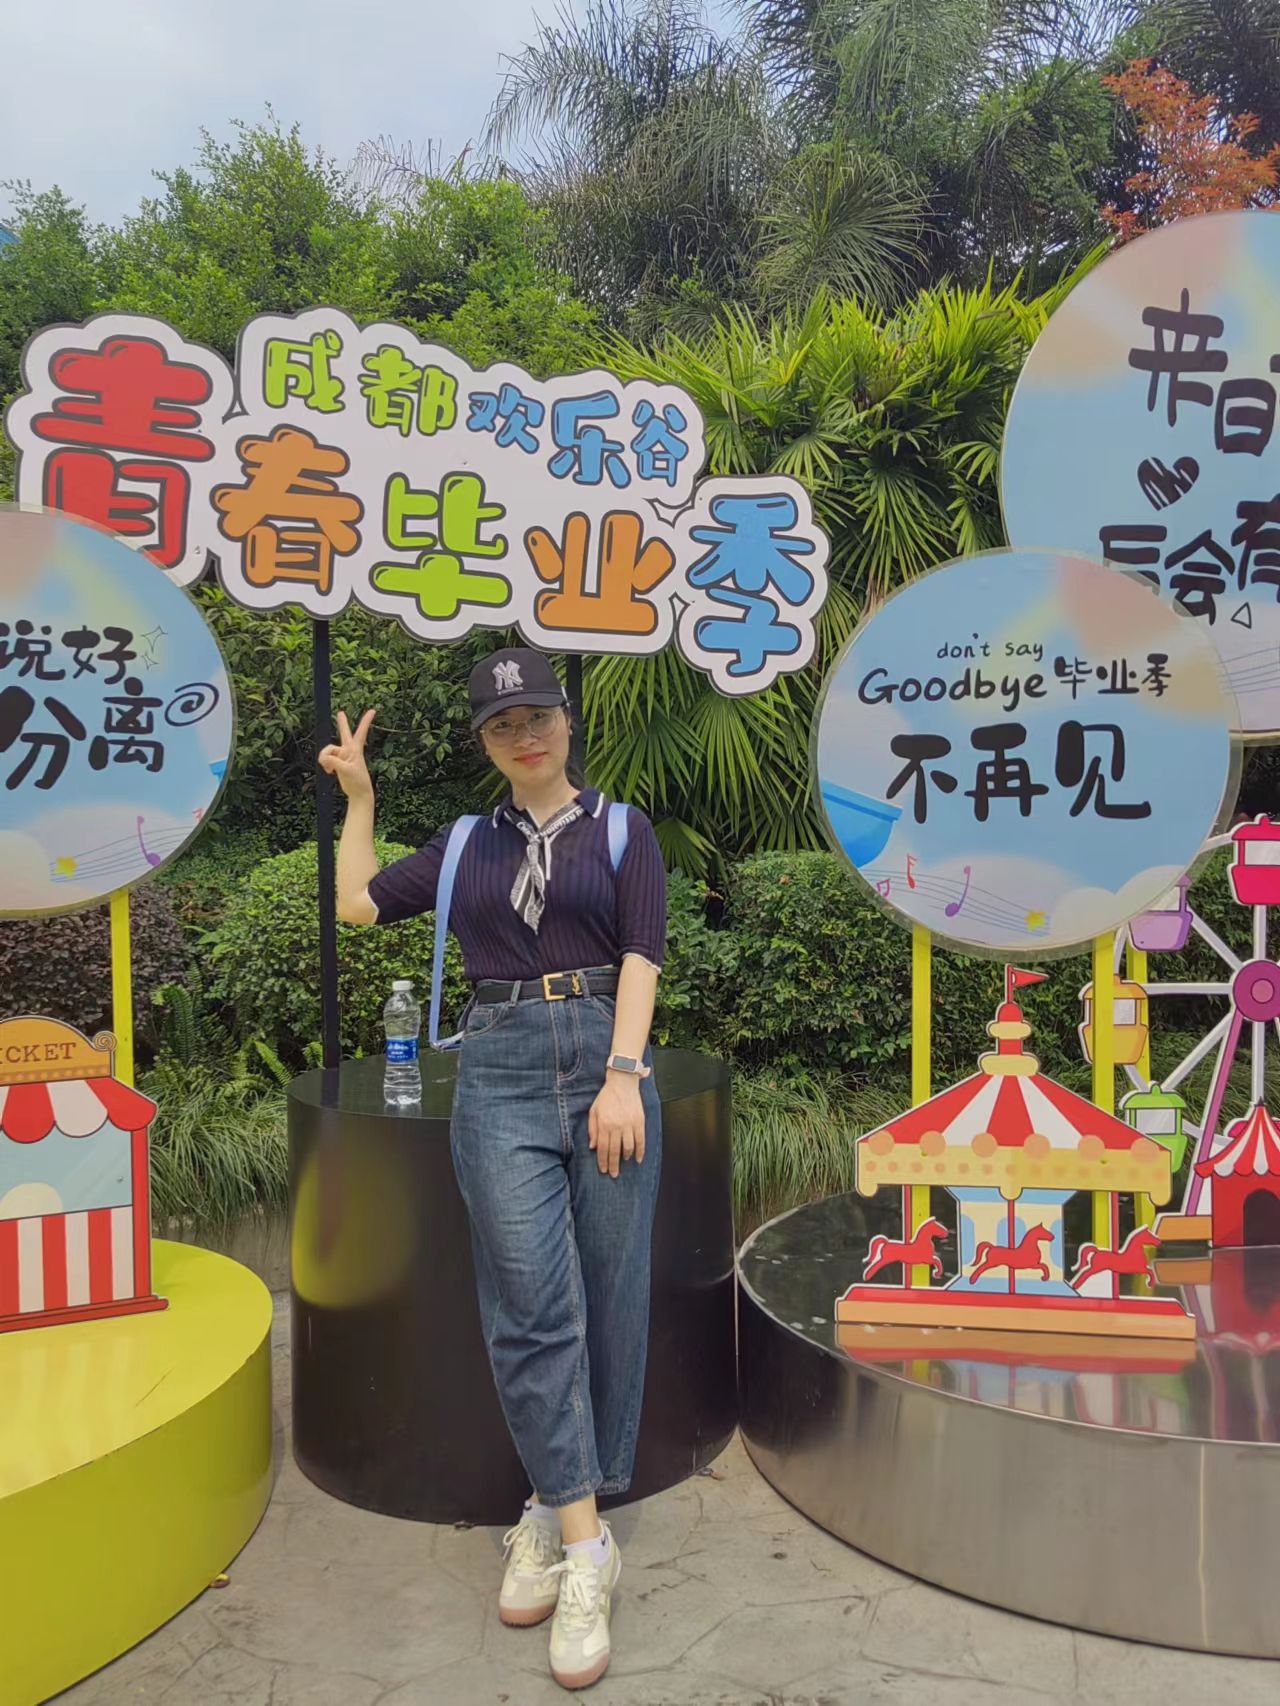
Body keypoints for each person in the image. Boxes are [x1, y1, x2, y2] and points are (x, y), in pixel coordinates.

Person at [320, 645, 665, 1692]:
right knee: (528, 1301)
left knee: (608, 1290)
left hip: (603, 1055)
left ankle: (554, 1508)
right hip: (501, 1069)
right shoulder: (465, 842)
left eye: (537, 716)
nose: (525, 736)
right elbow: (357, 903)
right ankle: (588, 1549)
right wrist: (360, 800)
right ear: (483, 742)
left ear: (565, 719)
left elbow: (642, 953)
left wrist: (622, 1075)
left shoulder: (622, 829)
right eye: (502, 725)